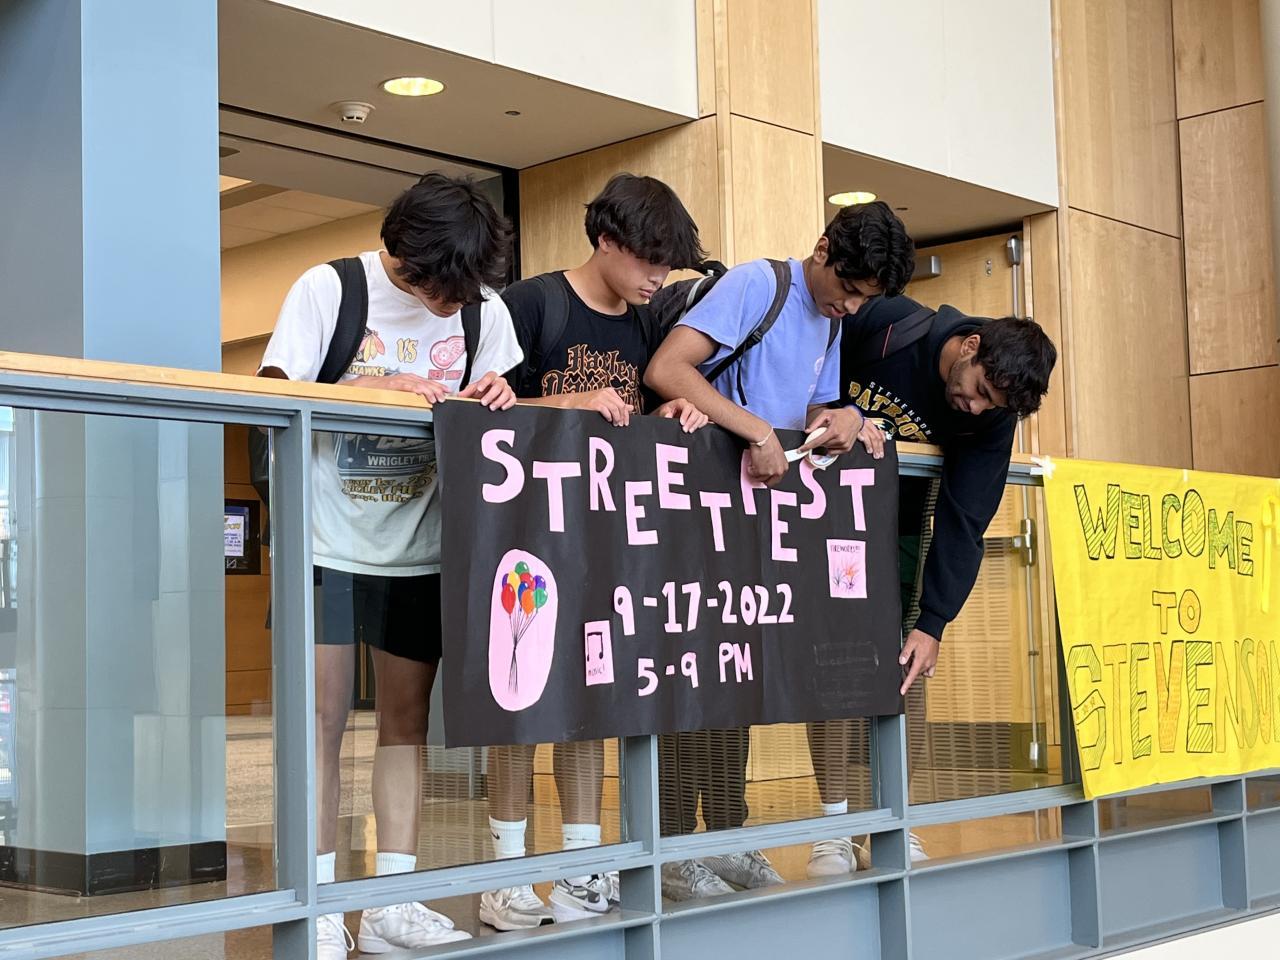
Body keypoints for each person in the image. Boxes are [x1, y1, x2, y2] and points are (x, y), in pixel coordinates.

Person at [258, 173, 524, 957]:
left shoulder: (483, 308)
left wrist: (498, 396)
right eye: (446, 288)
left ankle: (390, 903)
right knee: (320, 722)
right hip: (323, 541)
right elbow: (270, 397)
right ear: (407, 255)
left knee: (406, 725)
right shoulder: (331, 290)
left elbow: (498, 409)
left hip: (423, 545)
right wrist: (372, 387)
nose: (456, 304)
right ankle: (314, 905)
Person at [643, 200, 915, 900]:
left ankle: (725, 836)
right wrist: (756, 429)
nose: (849, 307)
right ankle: (670, 844)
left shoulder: (829, 319)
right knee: (689, 673)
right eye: (847, 289)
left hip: (754, 520)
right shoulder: (758, 285)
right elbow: (669, 369)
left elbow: (811, 409)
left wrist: (845, 417)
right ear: (822, 249)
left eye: (864, 300)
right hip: (695, 510)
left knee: (736, 677)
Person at [479, 172, 710, 931]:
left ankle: (582, 864)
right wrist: (569, 403)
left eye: (667, 266)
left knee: (593, 702)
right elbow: (479, 412)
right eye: (648, 260)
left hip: (606, 542)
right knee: (520, 704)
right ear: (606, 241)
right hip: (524, 538)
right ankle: (506, 875)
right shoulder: (532, 305)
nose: (658, 278)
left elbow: (635, 421)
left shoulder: (645, 329)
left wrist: (670, 414)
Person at [804, 296, 1057, 878]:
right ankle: (832, 828)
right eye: (979, 389)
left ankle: (891, 819)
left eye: (991, 405)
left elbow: (965, 518)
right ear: (970, 346)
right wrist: (839, 410)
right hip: (821, 519)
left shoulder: (993, 416)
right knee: (834, 666)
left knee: (908, 667)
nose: (976, 407)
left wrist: (933, 622)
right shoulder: (890, 324)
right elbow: (807, 364)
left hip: (900, 534)